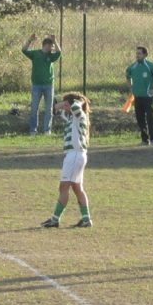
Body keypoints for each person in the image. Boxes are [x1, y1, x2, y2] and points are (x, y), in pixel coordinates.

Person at [40, 93, 92, 229]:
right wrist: (59, 106)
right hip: (76, 155)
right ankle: (86, 219)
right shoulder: (73, 117)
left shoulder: (79, 114)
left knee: (63, 187)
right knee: (77, 187)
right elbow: (59, 111)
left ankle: (55, 219)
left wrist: (78, 101)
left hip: (74, 155)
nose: (65, 106)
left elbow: (75, 106)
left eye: (66, 104)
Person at [125, 46, 153, 145]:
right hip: (137, 97)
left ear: (145, 55)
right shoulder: (133, 66)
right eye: (136, 53)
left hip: (147, 97)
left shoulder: (150, 66)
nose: (137, 55)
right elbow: (127, 76)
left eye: (139, 53)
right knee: (140, 119)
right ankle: (145, 140)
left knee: (150, 118)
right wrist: (131, 88)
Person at [21, 33, 62, 135]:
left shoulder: (51, 56)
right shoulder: (35, 54)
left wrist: (55, 40)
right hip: (36, 86)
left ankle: (47, 131)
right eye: (51, 46)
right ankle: (33, 130)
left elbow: (59, 52)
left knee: (49, 109)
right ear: (46, 45)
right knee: (34, 108)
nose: (52, 49)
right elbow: (24, 50)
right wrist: (30, 40)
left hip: (49, 85)